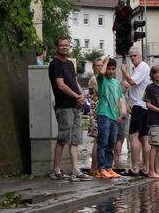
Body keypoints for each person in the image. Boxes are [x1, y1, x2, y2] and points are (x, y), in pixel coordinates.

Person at [49, 38, 90, 180]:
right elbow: (60, 85)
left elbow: (75, 81)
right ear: (57, 47)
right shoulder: (54, 64)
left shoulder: (70, 64)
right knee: (63, 138)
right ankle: (56, 170)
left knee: (75, 140)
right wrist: (76, 96)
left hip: (75, 106)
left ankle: (75, 170)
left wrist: (81, 95)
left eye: (66, 45)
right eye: (61, 45)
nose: (64, 48)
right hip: (64, 106)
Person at [121, 47, 151, 176]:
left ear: (140, 56)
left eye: (135, 55)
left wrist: (123, 71)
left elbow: (131, 82)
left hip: (139, 105)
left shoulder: (142, 67)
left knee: (133, 136)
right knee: (144, 138)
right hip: (143, 106)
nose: (132, 58)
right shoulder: (140, 68)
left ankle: (135, 168)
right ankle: (145, 168)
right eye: (131, 56)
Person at [95, 58, 124, 178]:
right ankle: (101, 168)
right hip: (104, 114)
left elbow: (119, 99)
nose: (111, 71)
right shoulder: (102, 80)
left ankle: (109, 167)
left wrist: (121, 114)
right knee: (103, 141)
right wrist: (105, 62)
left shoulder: (116, 83)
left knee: (111, 142)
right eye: (109, 68)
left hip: (114, 116)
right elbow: (101, 73)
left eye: (113, 69)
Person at [86, 57, 105, 173]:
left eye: (101, 65)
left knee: (101, 140)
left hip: (101, 111)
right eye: (97, 65)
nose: (99, 67)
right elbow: (102, 92)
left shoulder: (101, 79)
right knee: (97, 141)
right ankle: (94, 168)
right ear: (93, 68)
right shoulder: (94, 79)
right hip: (96, 113)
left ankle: (98, 167)